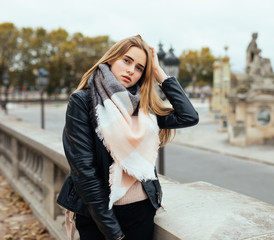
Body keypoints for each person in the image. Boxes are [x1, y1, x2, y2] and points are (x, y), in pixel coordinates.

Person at [56, 35, 199, 240]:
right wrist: (114, 233)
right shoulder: (82, 101)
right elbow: (84, 173)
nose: (131, 70)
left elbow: (188, 116)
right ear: (111, 59)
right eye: (127, 60)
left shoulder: (143, 106)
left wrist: (159, 72)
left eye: (140, 68)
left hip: (141, 211)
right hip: (97, 214)